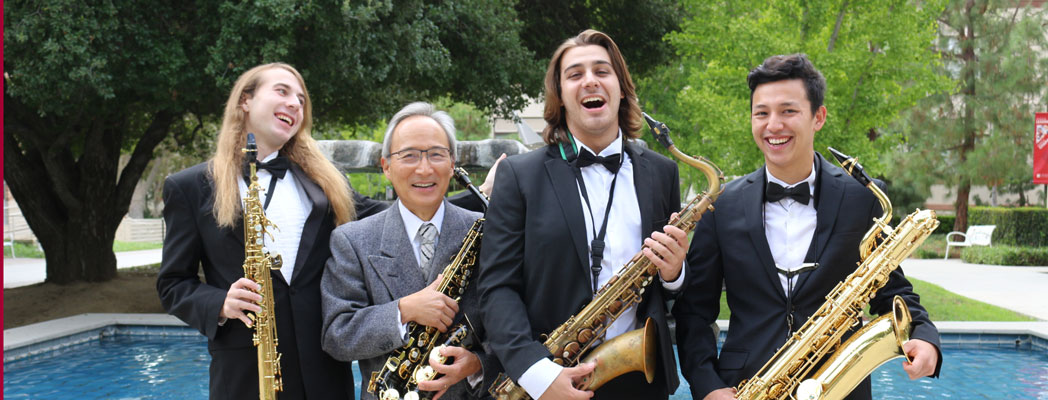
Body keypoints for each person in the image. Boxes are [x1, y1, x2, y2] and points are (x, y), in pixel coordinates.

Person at [673, 54, 942, 400]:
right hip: (744, 389)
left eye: (788, 111)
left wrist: (924, 336)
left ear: (819, 117)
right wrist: (708, 387)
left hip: (838, 389)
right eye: (762, 113)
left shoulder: (861, 198)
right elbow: (694, 311)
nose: (773, 125)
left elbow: (892, 290)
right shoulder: (721, 206)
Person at [157, 62, 395, 400]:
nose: (296, 103)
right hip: (244, 375)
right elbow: (172, 284)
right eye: (282, 91)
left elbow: (391, 216)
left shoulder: (325, 183)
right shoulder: (189, 187)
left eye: (301, 99)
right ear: (246, 101)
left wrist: (483, 198)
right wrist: (220, 302)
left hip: (324, 373)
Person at [477, 29, 687, 400]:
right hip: (547, 378)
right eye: (575, 74)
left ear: (621, 88)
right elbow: (497, 289)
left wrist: (673, 273)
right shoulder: (519, 176)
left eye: (602, 71)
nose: (590, 80)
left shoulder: (662, 172)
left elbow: (674, 289)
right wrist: (538, 374)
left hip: (638, 381)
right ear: (560, 96)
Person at [321, 102, 494, 399]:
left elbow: (518, 325)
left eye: (436, 155)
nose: (424, 168)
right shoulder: (351, 240)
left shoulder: (490, 232)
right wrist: (403, 311)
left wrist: (479, 363)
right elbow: (337, 335)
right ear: (386, 166)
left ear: (452, 164)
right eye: (409, 155)